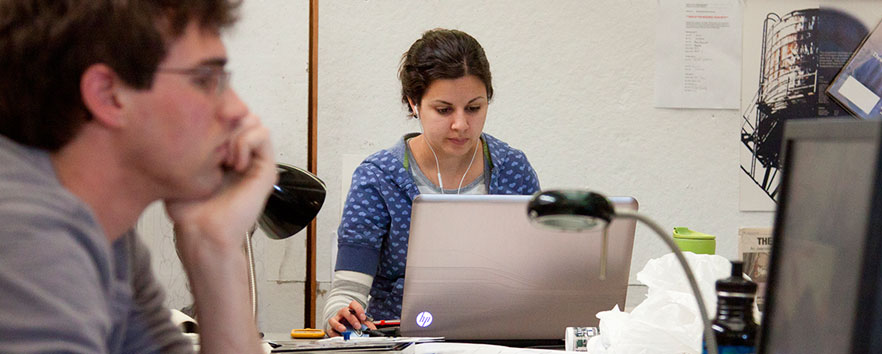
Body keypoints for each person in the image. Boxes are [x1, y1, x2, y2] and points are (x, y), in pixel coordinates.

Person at [0, 1, 275, 353]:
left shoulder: (110, 239)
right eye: (205, 79)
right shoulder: (26, 231)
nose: (238, 110)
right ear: (108, 95)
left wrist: (214, 247)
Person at [322, 28, 540, 336]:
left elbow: (538, 276)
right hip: (402, 340)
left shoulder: (512, 170)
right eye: (443, 110)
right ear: (413, 103)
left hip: (498, 338)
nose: (461, 124)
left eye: (474, 108)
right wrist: (341, 316)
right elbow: (347, 290)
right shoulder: (378, 177)